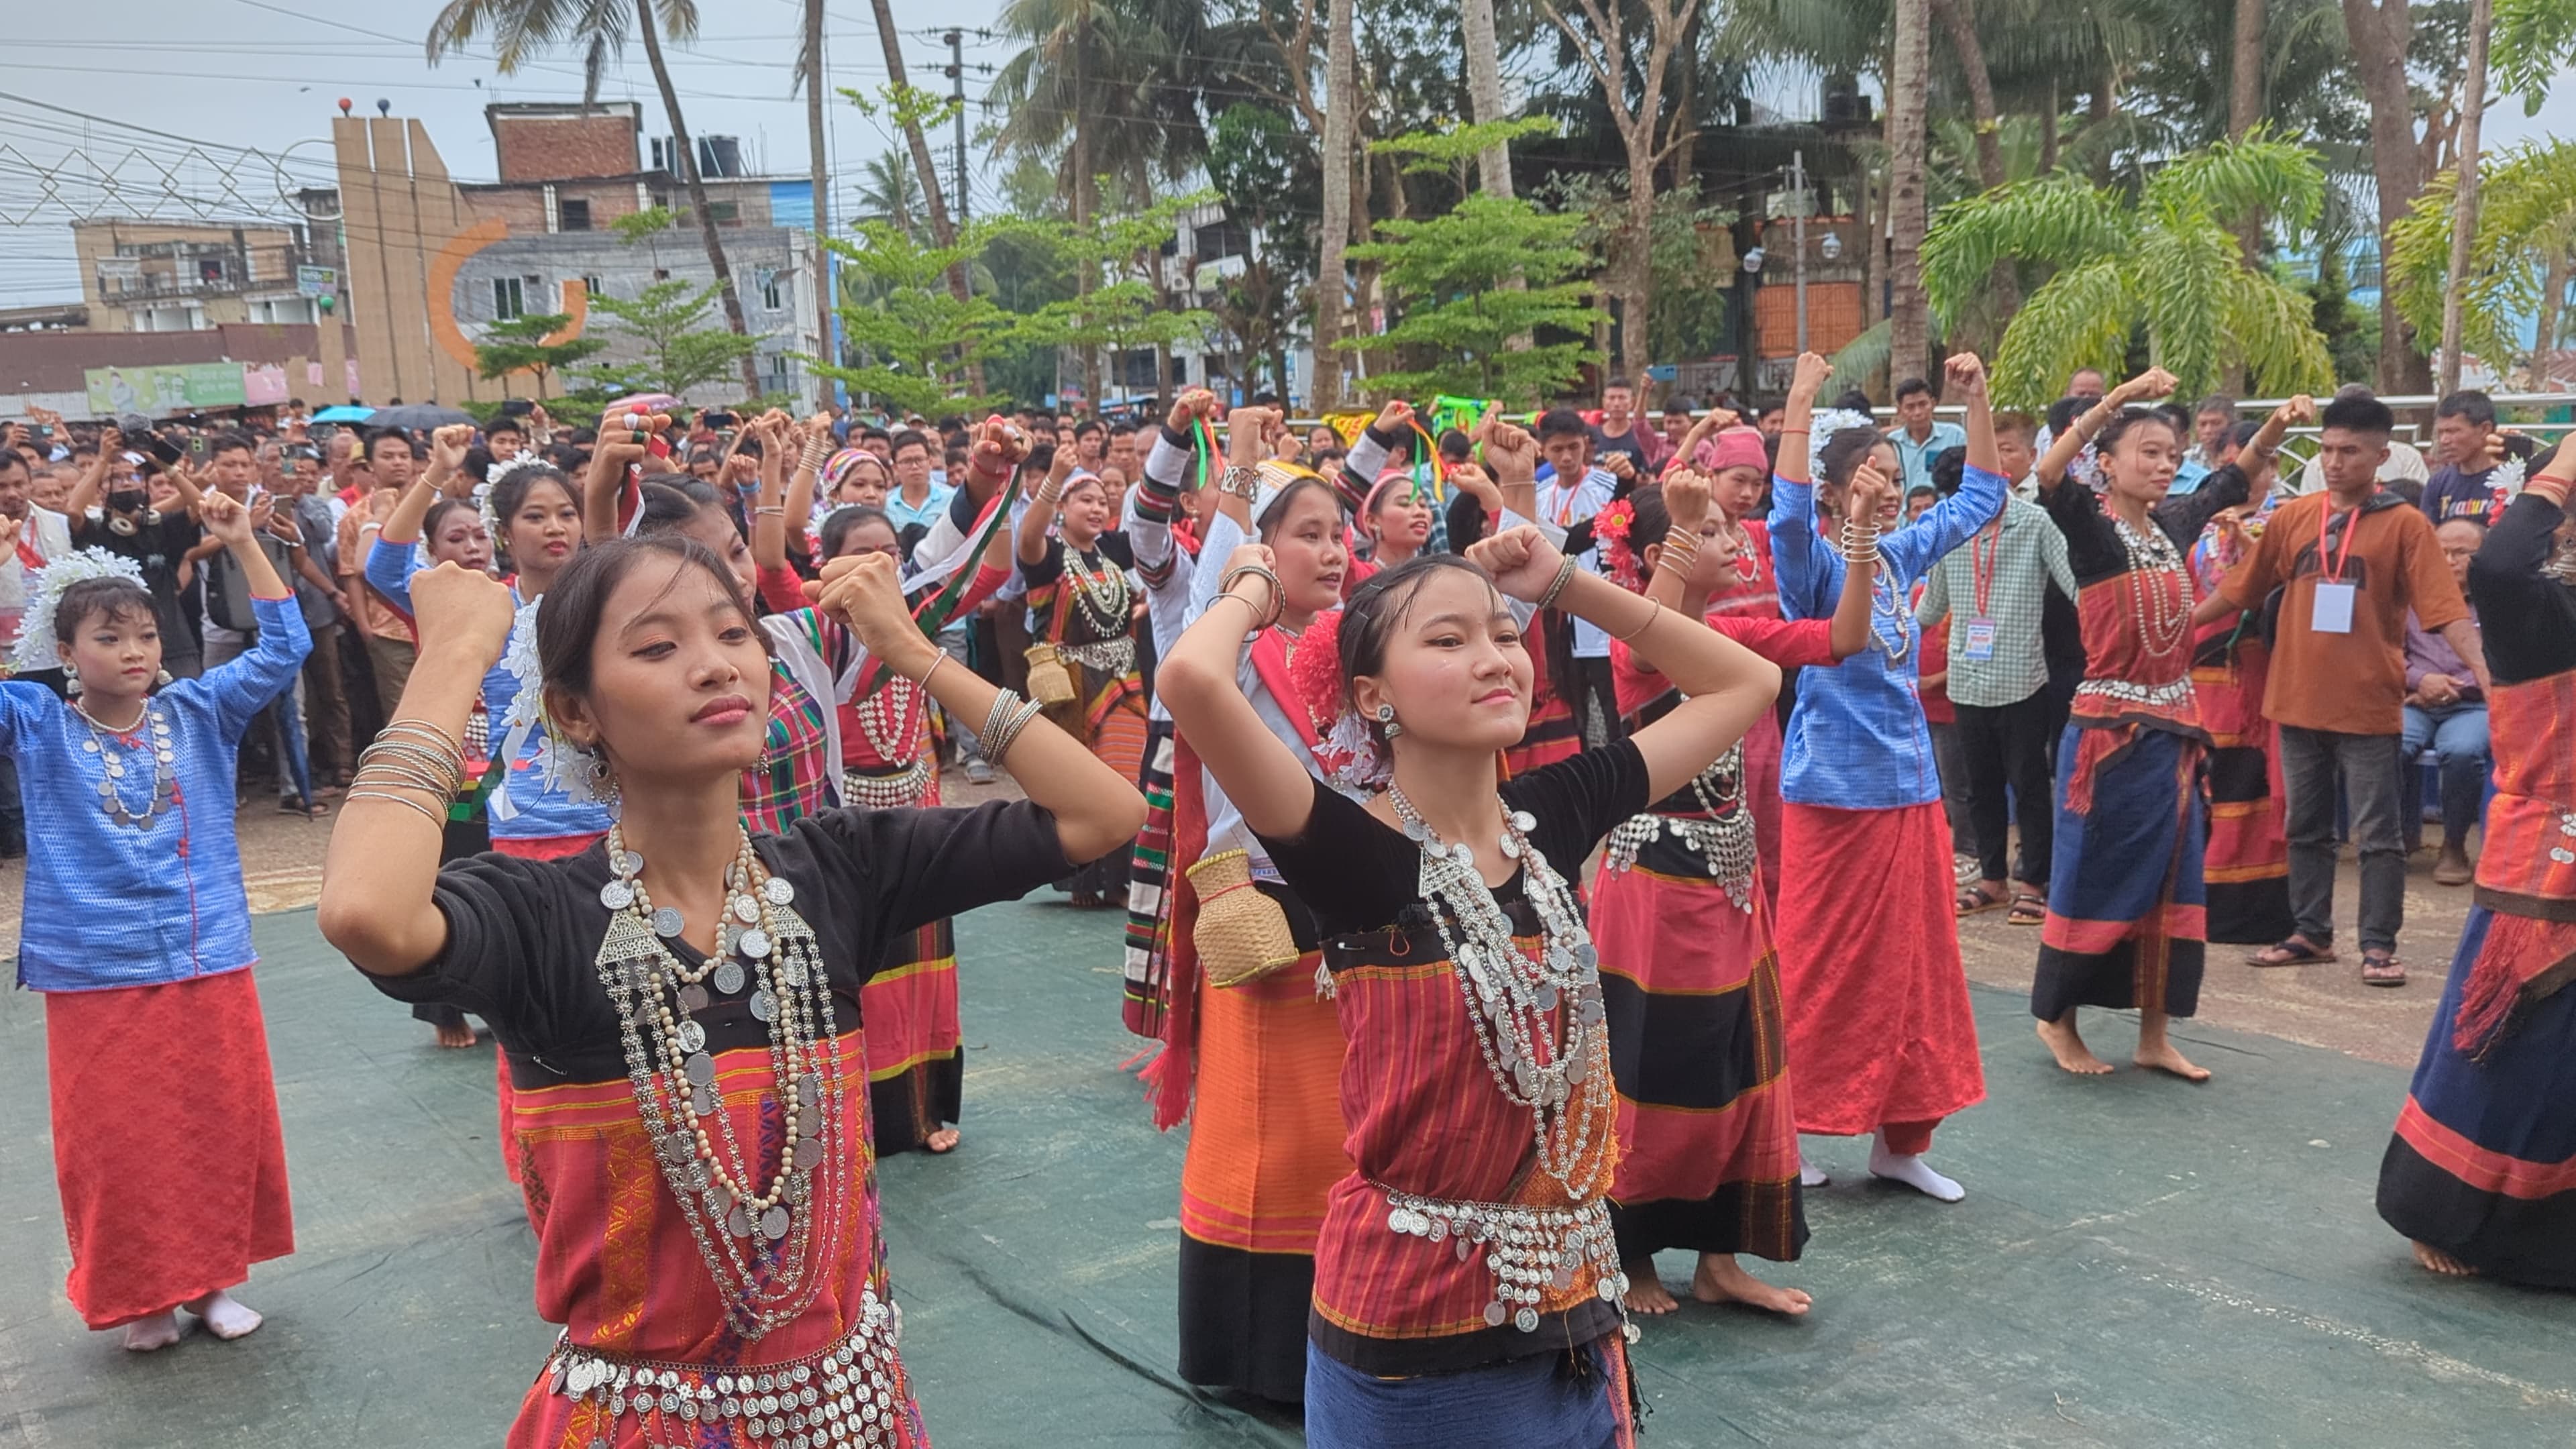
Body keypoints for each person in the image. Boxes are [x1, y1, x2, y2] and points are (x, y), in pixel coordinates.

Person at [321, 531, 1146, 1448]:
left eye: (733, 634)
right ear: (575, 711)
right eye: (657, 647)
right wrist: (452, 659)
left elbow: (1103, 813)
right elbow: (368, 912)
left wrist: (910, 654)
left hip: (852, 1417)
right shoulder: (541, 919)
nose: (716, 667)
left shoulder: (842, 871)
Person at [1157, 416, 1780, 1448]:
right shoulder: (1353, 858)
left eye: (1502, 633)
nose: (1496, 656)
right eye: (1447, 641)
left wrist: (1561, 582)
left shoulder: (1559, 814)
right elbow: (1191, 685)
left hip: (1576, 1310)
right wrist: (1254, 589)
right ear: (1373, 696)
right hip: (1415, 1339)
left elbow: (1745, 683)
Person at [9, 491, 307, 1351]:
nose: (133, 651)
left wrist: (245, 542)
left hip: (209, 951)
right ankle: (140, 1295)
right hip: (94, 969)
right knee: (118, 1143)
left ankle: (213, 1285)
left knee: (217, 1123)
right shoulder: (36, 726)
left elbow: (285, 645)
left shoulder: (198, 711)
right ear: (65, 652)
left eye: (142, 635)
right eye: (108, 638)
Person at [1587, 463, 1886, 1320]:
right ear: (1664, 549)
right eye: (1713, 531)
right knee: (1647, 1064)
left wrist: (1857, 531)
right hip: (1651, 882)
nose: (1733, 539)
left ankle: (1719, 1259)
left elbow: (1846, 638)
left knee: (1735, 1063)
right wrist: (1680, 533)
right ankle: (1631, 1254)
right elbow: (1650, 644)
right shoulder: (1638, 643)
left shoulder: (1739, 634)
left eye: (1722, 528)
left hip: (1729, 883)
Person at [1140, 402, 1360, 1406]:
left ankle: (1337, 1335)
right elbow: (1195, 601)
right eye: (1305, 534)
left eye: (1338, 531)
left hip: (1355, 926)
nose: (1332, 548)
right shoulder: (1223, 643)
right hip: (1265, 925)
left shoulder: (1366, 646)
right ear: (1261, 554)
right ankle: (1250, 1361)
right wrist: (1231, 467)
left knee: (1339, 1138)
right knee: (1262, 1139)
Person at [1768, 350, 2002, 1201]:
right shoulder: (1818, 570)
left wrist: (1977, 400)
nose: (1888, 485)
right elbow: (1786, 520)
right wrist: (1800, 400)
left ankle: (1902, 1141)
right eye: (1869, 473)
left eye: (1894, 472)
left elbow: (1982, 498)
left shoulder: (1902, 558)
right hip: (1833, 795)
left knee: (1919, 970)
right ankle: (1784, 1131)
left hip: (1912, 796)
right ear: (1834, 489)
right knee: (1820, 967)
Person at [2025, 368, 2270, 1080]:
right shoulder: (2091, 530)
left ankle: (2154, 1035)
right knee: (2090, 877)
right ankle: (2057, 1022)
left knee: (2175, 880)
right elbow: (2046, 474)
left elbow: (2230, 483)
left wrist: (2277, 427)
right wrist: (2114, 401)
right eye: (2148, 451)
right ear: (2106, 463)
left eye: (2172, 454)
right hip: (2107, 740)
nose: (2164, 465)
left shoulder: (2170, 526)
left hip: (2175, 738)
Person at [2198, 390, 2488, 987]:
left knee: (2378, 836)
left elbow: (2445, 611)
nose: (2335, 462)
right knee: (2306, 827)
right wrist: (2182, 626)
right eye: (2328, 449)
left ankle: (2379, 945)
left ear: (2381, 456)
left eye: (2350, 451)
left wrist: (2489, 675)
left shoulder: (2406, 525)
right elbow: (2242, 590)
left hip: (2368, 706)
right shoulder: (2293, 516)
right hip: (2296, 700)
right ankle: (2311, 934)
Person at [2373, 442, 2576, 1285]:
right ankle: (2443, 1208)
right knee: (2510, 1051)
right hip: (2546, 871)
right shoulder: (2542, 612)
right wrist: (2566, 461)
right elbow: (2497, 561)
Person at [1921, 415, 2076, 924]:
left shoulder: (2034, 523)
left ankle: (2032, 879)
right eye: (1985, 455)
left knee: (2029, 784)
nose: (1992, 463)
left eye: (2006, 453)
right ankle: (1992, 879)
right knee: (1978, 786)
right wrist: (1878, 634)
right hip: (1967, 679)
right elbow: (1930, 607)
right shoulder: (1951, 526)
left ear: (2022, 463)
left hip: (2022, 679)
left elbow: (2077, 588)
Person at [2184, 419, 2302, 947]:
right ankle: (2197, 907)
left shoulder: (2290, 519)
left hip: (2253, 670)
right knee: (2202, 786)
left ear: (2273, 467)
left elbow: (2266, 591)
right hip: (2199, 672)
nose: (2253, 474)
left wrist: (2249, 545)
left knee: (2249, 785)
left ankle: (2251, 915)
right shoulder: (2202, 522)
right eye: (2237, 465)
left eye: (2261, 463)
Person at [1018, 448, 1150, 907]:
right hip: (1072, 684)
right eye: (1084, 501)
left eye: (1101, 501)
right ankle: (1082, 881)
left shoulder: (1113, 548)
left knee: (1126, 779)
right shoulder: (1050, 555)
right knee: (1080, 781)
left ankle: (1116, 879)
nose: (1097, 508)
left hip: (1124, 679)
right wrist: (1053, 476)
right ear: (1063, 508)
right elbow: (1027, 536)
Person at [2402, 517, 2491, 886]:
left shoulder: (2498, 601)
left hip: (2472, 704)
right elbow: (2387, 652)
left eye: (2461, 553)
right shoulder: (2408, 598)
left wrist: (2457, 684)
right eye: (2441, 553)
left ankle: (2454, 844)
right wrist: (2421, 681)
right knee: (2389, 743)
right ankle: (2395, 839)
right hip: (2415, 699)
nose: (2449, 560)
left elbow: (2502, 658)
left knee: (2463, 751)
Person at [1534, 408, 1625, 751]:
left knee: (1613, 709)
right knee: (1574, 716)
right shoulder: (1540, 494)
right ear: (1544, 450)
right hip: (1560, 621)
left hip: (1602, 618)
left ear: (1586, 444)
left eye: (1573, 447)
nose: (1567, 457)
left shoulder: (1608, 485)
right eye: (1557, 450)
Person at [2420, 390, 2532, 525]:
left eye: (2453, 431)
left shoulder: (2513, 477)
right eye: (2440, 433)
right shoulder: (2437, 484)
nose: (2444, 440)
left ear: (2485, 429)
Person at [1886, 376, 1966, 495]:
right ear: (1899, 411)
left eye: (1923, 404)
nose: (1918, 412)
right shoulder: (1891, 443)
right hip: (1903, 512)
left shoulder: (1955, 436)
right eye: (1910, 407)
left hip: (1945, 511)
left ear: (1933, 404)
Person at [1590, 375, 1667, 474]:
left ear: (1632, 402)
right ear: (1604, 402)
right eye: (1612, 398)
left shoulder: (1641, 436)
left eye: (1622, 398)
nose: (1617, 403)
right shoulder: (1592, 436)